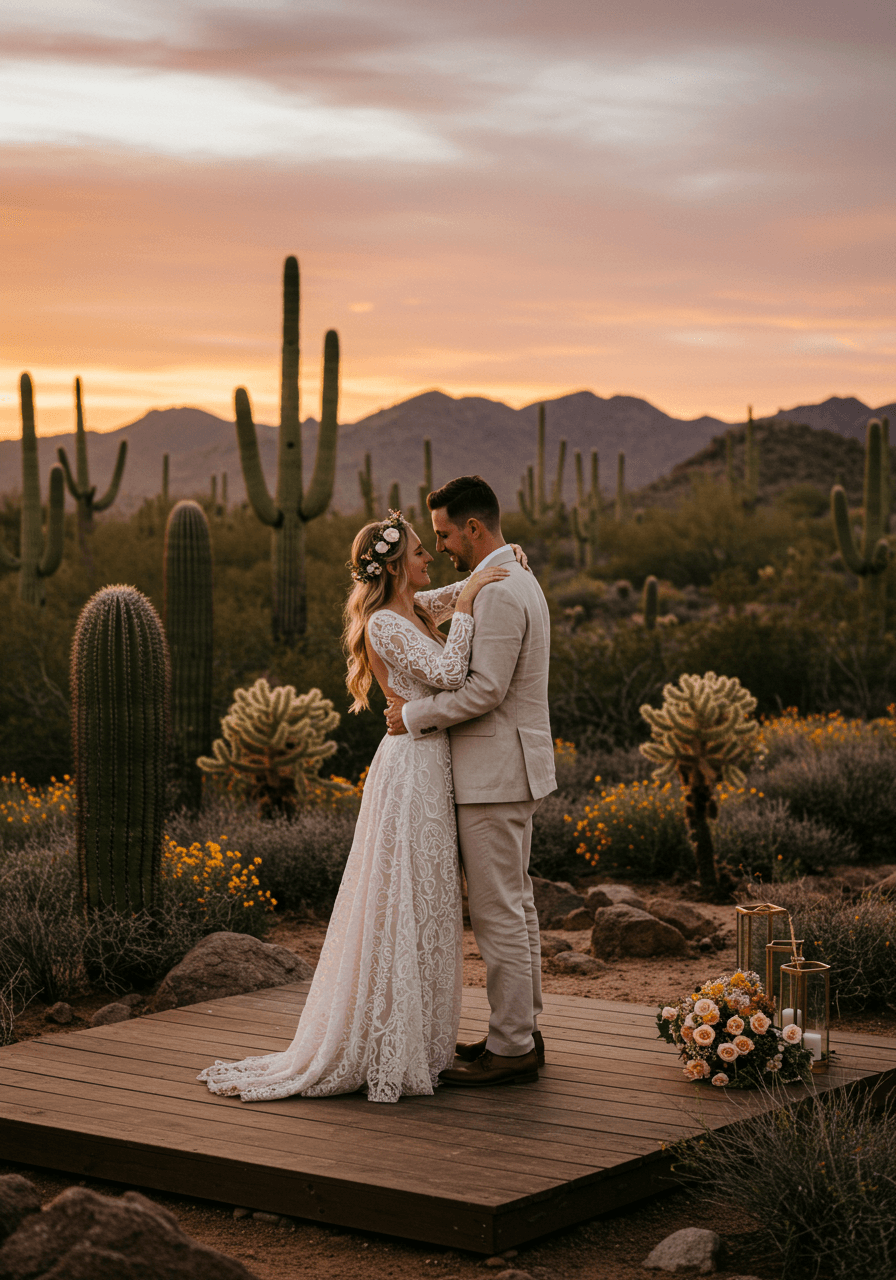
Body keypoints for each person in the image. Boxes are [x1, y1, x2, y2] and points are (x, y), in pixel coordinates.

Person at [197, 510, 510, 1104]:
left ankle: (416, 1035)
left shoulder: (410, 609)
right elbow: (447, 671)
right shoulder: (386, 625)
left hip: (424, 762)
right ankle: (382, 1039)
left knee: (425, 898)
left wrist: (495, 565)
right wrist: (470, 602)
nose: (429, 559)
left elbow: (445, 596)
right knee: (401, 898)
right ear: (395, 565)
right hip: (411, 770)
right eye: (419, 552)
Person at [385, 475, 556, 1087]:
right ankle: (519, 1031)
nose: (442, 546)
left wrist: (413, 716)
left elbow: (486, 690)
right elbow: (419, 605)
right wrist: (460, 590)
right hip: (507, 769)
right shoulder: (507, 577)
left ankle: (511, 1045)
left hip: (495, 773)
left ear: (474, 528)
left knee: (498, 915)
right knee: (517, 907)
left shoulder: (504, 593)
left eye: (446, 534)